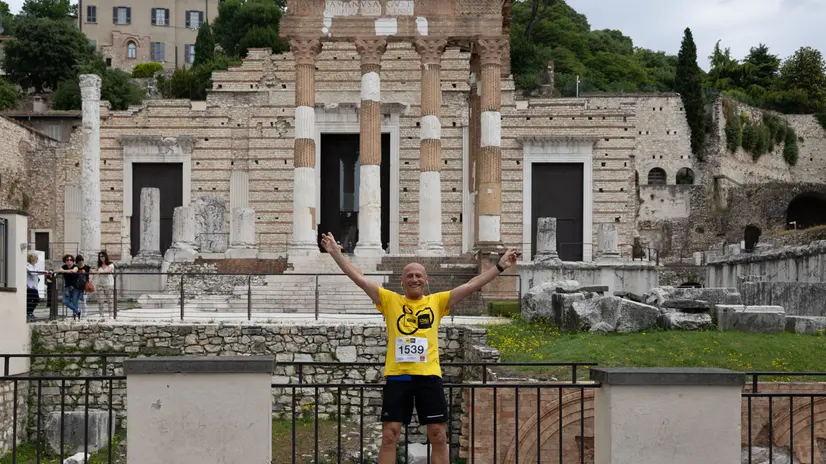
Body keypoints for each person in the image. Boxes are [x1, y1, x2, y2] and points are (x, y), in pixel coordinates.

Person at [320, 232, 518, 464]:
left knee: (439, 435)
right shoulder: (390, 300)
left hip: (428, 377)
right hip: (398, 377)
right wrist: (336, 254)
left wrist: (500, 267)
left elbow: (471, 285)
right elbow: (360, 280)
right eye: (409, 276)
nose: (414, 279)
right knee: (389, 436)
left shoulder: (437, 302)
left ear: (426, 280)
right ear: (402, 281)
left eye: (418, 275)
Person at [55, 254, 81, 320]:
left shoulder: (76, 266)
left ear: (73, 261)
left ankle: (76, 317)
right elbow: (57, 270)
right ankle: (77, 311)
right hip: (67, 287)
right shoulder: (64, 266)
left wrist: (63, 271)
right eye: (67, 260)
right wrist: (60, 270)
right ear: (65, 261)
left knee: (75, 301)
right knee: (65, 301)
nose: (69, 261)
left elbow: (73, 271)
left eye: (71, 260)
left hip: (75, 287)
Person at [92, 251, 115, 319]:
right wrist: (91, 279)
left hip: (109, 284)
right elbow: (94, 274)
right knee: (100, 300)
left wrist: (97, 272)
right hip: (100, 284)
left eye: (102, 256)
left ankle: (111, 314)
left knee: (110, 300)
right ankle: (101, 314)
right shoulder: (98, 265)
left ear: (105, 256)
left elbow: (108, 271)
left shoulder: (111, 264)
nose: (101, 258)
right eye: (100, 257)